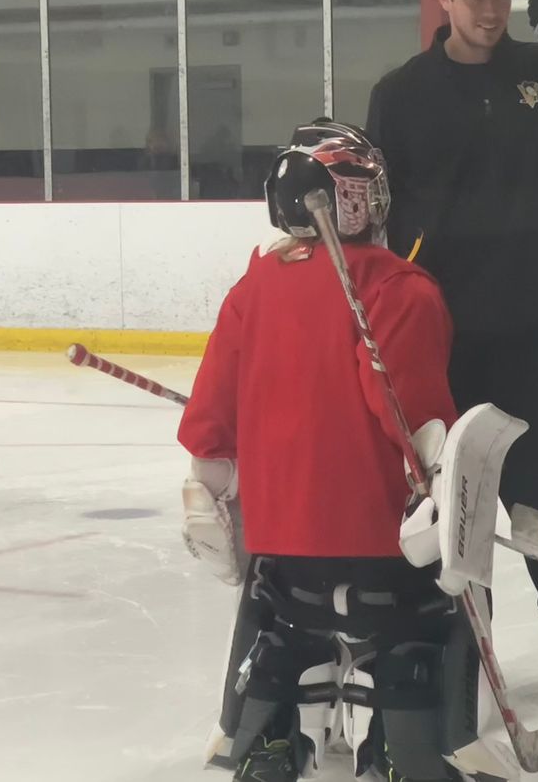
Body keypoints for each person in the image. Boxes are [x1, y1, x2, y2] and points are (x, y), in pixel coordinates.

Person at [177, 120, 517, 782]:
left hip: (284, 571)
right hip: (385, 561)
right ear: (342, 199)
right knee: (437, 612)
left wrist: (218, 509)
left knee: (276, 616)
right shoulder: (400, 288)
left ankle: (270, 727)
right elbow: (424, 434)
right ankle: (405, 733)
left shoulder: (251, 291)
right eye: (367, 186)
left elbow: (209, 437)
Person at [365, 0, 538, 677]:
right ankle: (458, 647)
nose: (492, 9)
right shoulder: (401, 92)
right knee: (444, 498)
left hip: (515, 321)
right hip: (432, 330)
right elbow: (374, 213)